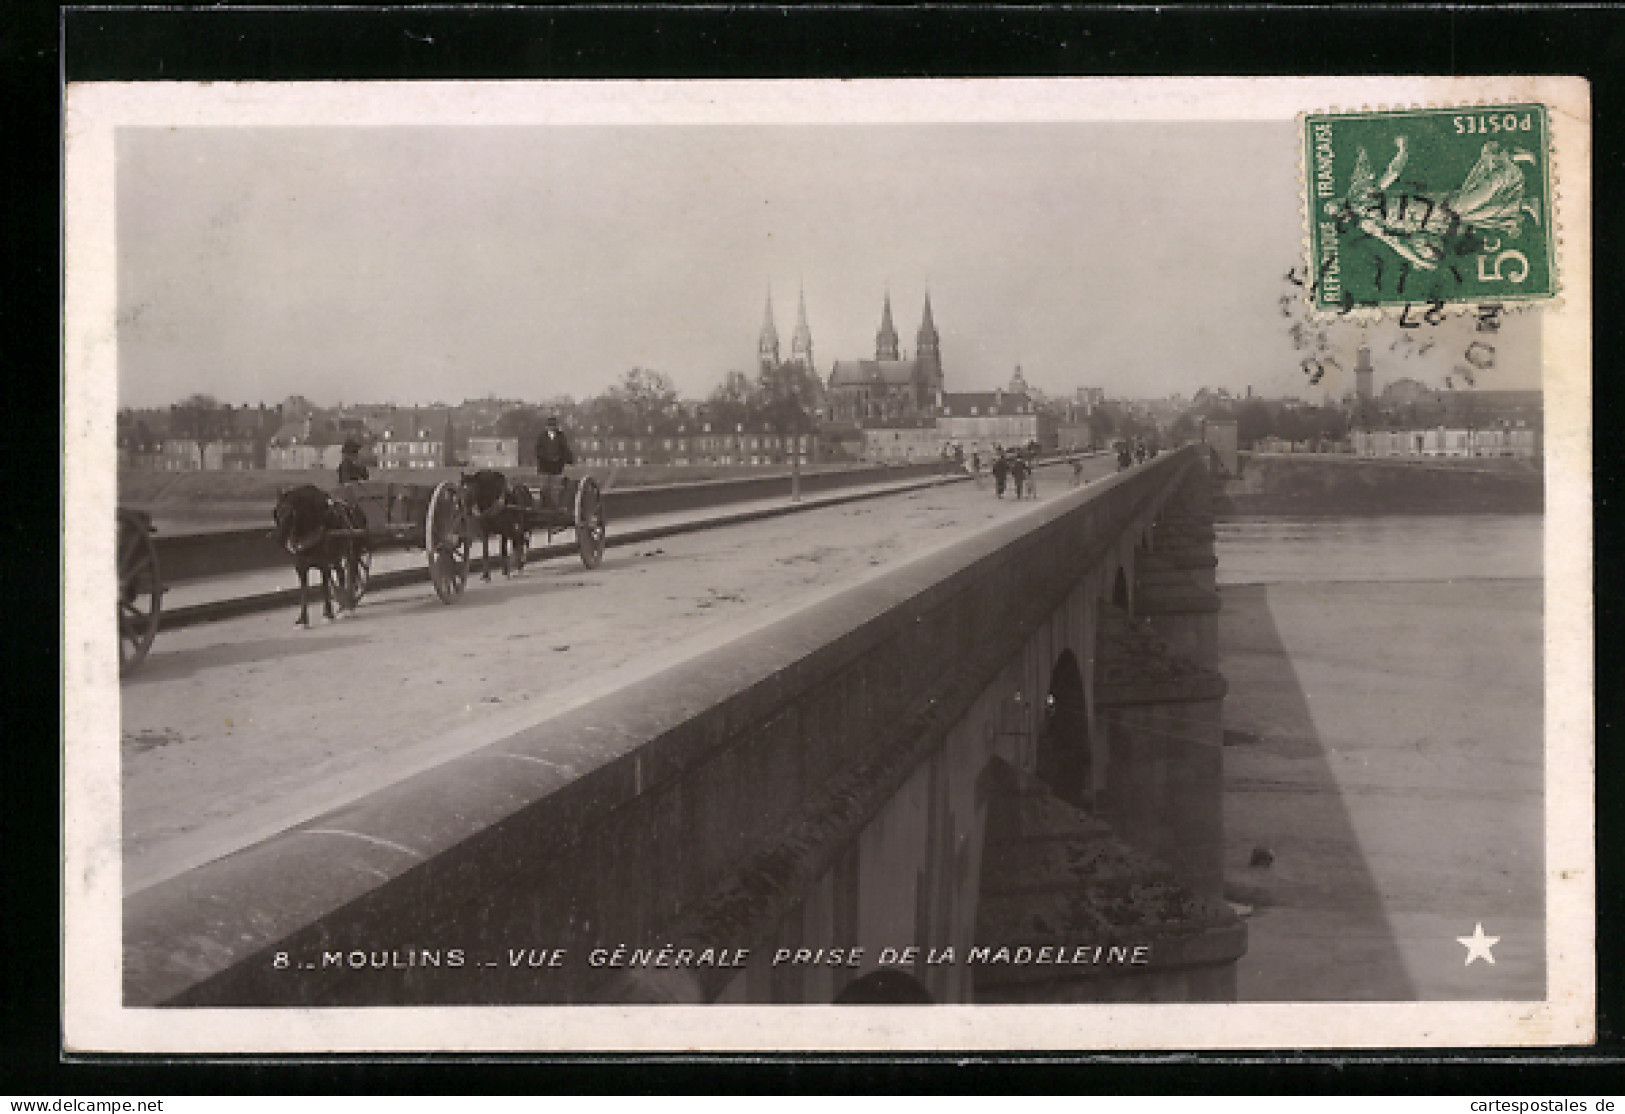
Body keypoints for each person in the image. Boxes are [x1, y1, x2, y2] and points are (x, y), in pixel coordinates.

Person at [534, 414, 575, 507]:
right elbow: (538, 450)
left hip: (557, 466)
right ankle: (544, 505)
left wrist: (568, 460)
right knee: (544, 487)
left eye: (553, 426)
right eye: (550, 426)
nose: (552, 427)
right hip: (544, 466)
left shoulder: (561, 436)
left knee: (555, 488)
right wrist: (545, 458)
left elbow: (565, 449)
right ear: (547, 427)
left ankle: (556, 507)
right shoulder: (542, 437)